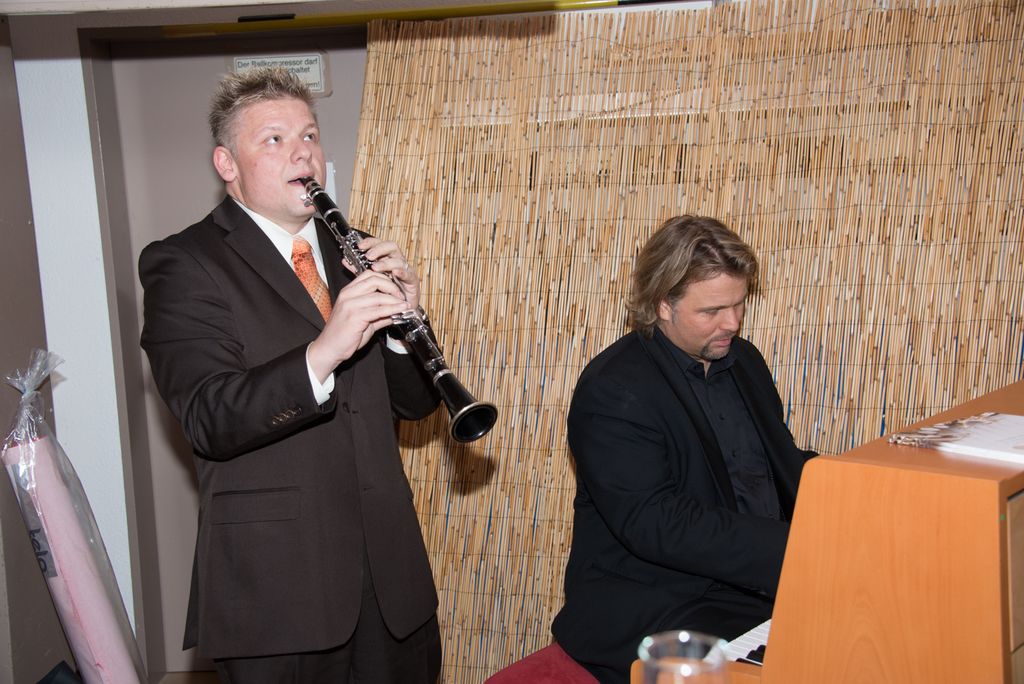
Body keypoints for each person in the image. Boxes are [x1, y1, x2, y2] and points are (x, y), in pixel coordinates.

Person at [139, 67, 443, 683]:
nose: (302, 152)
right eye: (273, 139)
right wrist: (323, 351)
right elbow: (209, 417)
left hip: (392, 582)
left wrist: (405, 328)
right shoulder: (183, 262)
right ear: (227, 164)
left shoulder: (355, 248)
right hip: (277, 590)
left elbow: (415, 405)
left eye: (309, 135)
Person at [551, 215, 816, 682]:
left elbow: (779, 464)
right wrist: (795, 549)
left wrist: (851, 492)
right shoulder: (614, 389)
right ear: (663, 304)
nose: (732, 323)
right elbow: (658, 522)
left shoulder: (744, 360)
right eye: (712, 311)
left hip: (751, 581)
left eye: (739, 304)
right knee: (804, 664)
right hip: (659, 601)